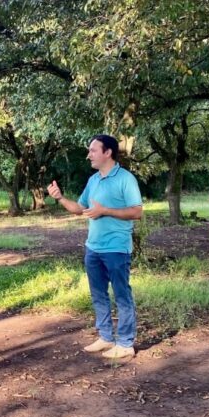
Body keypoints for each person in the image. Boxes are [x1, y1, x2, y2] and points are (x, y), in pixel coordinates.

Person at [47, 135, 143, 361]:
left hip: (117, 248)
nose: (88, 155)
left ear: (107, 152)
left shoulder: (125, 179)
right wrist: (60, 198)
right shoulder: (93, 180)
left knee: (122, 295)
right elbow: (79, 208)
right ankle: (106, 337)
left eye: (93, 150)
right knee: (98, 294)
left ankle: (126, 344)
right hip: (93, 248)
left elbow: (137, 212)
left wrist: (105, 211)